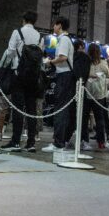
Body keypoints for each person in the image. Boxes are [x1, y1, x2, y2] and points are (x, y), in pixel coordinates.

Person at [1, 11, 41, 152]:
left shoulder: (17, 32)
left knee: (18, 109)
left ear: (23, 20)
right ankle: (31, 143)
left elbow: (10, 51)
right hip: (33, 76)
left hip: (18, 73)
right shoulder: (38, 35)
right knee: (31, 109)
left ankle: (16, 141)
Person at [44, 18, 74, 152]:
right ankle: (61, 141)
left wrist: (50, 62)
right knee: (63, 109)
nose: (53, 27)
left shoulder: (63, 40)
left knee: (60, 109)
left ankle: (58, 143)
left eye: (54, 24)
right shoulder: (66, 40)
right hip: (66, 77)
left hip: (64, 76)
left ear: (59, 25)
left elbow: (63, 57)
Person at [82, 43, 109, 150]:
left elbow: (84, 74)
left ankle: (84, 140)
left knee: (85, 118)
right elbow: (107, 74)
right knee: (100, 118)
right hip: (100, 94)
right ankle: (101, 142)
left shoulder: (86, 62)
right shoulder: (103, 63)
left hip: (88, 92)